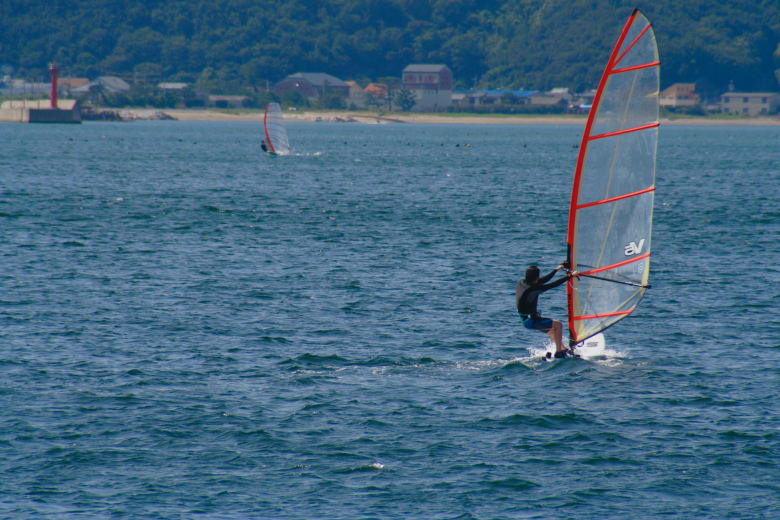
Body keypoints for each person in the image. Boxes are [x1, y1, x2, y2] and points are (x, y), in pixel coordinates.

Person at [516, 263, 576, 358]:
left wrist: (556, 270)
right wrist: (570, 276)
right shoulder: (532, 289)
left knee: (552, 330)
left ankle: (563, 349)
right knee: (558, 325)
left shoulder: (522, 283)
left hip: (526, 320)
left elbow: (543, 281)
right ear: (536, 278)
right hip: (531, 321)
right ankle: (559, 352)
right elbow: (551, 285)